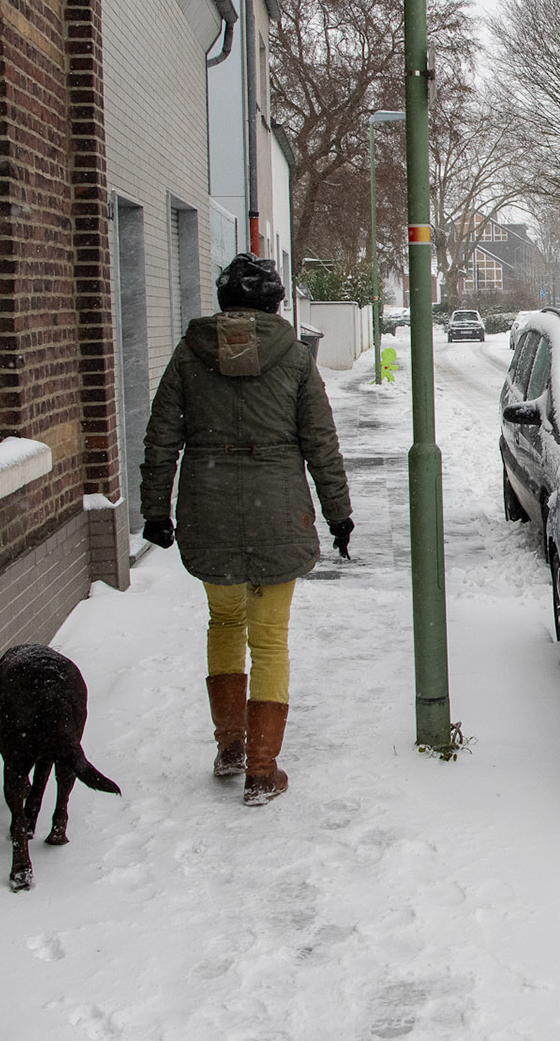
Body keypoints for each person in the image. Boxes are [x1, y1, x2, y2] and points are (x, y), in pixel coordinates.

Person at [139, 254, 354, 805]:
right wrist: (338, 514)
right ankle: (262, 769)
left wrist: (156, 510)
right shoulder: (295, 360)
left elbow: (161, 439)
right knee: (271, 638)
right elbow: (320, 443)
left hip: (207, 507)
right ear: (275, 305)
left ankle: (230, 747)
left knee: (225, 621)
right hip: (278, 507)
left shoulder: (190, 354)